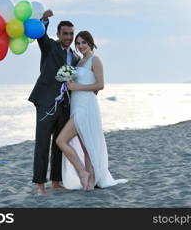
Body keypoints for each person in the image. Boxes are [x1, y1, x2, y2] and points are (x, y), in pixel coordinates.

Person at [56, 31, 127, 191]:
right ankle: (88, 181)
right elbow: (81, 83)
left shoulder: (95, 60)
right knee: (86, 147)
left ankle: (83, 173)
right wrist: (69, 82)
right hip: (76, 105)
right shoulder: (80, 62)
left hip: (86, 107)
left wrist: (76, 87)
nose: (81, 46)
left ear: (90, 43)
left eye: (84, 43)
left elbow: (100, 85)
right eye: (78, 43)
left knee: (61, 141)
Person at [28, 10, 80, 195]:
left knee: (59, 143)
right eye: (65, 33)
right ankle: (40, 184)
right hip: (45, 102)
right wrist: (44, 21)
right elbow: (41, 36)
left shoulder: (76, 57)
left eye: (71, 34)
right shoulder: (49, 46)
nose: (68, 37)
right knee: (42, 143)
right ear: (58, 34)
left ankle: (56, 181)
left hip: (64, 106)